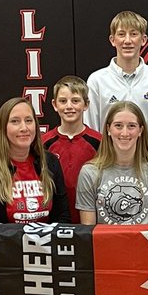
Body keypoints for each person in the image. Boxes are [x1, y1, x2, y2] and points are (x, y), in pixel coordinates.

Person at [0, 96, 70, 224]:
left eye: (29, 120)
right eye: (15, 121)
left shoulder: (50, 162)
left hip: (45, 243)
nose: (24, 128)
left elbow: (62, 216)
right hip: (3, 243)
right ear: (3, 128)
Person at [76, 101, 148, 225]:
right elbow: (88, 234)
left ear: (141, 130)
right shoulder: (90, 173)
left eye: (131, 126)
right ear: (108, 129)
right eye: (118, 125)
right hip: (104, 244)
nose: (124, 133)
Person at [84, 10, 148, 130]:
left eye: (133, 34)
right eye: (121, 34)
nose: (127, 41)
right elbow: (91, 128)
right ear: (112, 40)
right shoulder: (97, 80)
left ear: (143, 40)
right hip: (109, 149)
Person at [42, 75, 101, 224]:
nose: (69, 106)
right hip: (54, 220)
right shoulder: (44, 143)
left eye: (75, 101)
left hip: (91, 218)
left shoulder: (99, 142)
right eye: (63, 101)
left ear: (86, 104)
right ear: (55, 105)